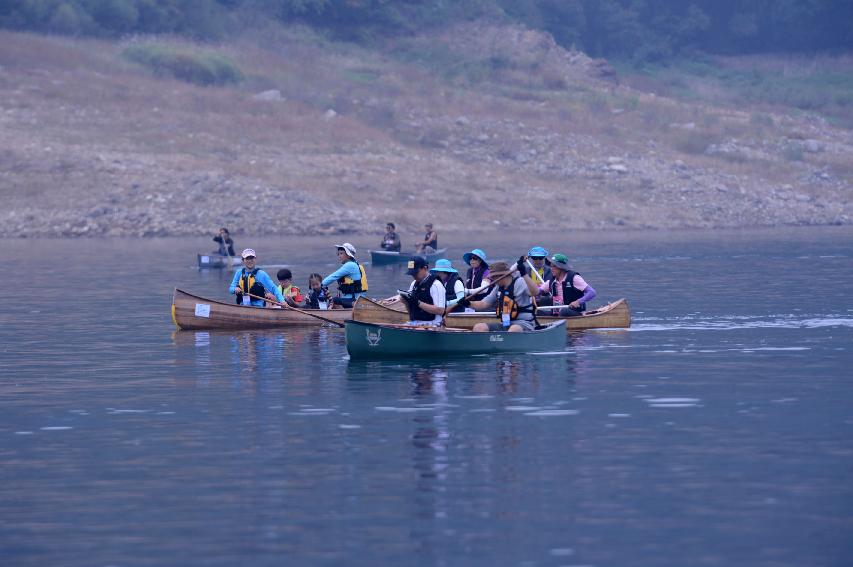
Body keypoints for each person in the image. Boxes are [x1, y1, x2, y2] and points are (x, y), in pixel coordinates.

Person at [458, 259, 539, 332]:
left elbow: (535, 292)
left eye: (493, 277)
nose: (492, 279)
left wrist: (524, 274)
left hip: (524, 324)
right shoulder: (498, 287)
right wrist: (469, 303)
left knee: (514, 329)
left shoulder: (520, 282)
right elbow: (484, 303)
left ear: (501, 276)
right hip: (505, 324)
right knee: (479, 327)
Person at [395, 257, 446, 326]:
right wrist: (406, 302)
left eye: (416, 273)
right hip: (415, 323)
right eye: (412, 274)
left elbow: (440, 310)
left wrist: (418, 303)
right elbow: (411, 311)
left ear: (425, 268)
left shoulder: (436, 285)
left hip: (433, 325)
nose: (414, 276)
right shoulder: (413, 284)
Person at [321, 243, 368, 308]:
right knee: (336, 300)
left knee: (334, 300)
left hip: (355, 301)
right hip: (357, 299)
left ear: (348, 255)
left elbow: (333, 277)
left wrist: (320, 285)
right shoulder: (354, 264)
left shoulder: (350, 265)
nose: (339, 256)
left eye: (341, 253)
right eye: (338, 254)